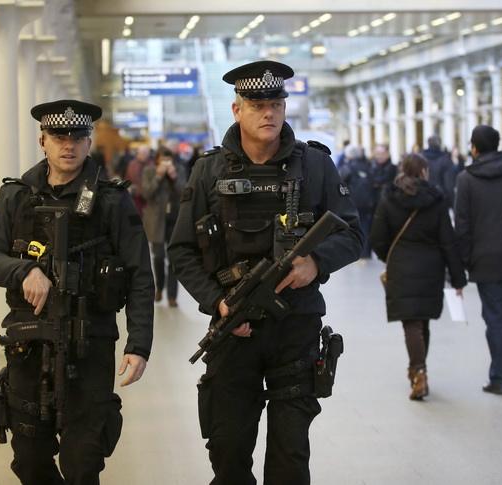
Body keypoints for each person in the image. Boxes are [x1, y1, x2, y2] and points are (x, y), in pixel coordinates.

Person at [168, 60, 363, 485]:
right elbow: (181, 250)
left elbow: (353, 235)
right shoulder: (208, 170)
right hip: (234, 331)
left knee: (290, 456)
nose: (268, 113)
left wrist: (316, 262)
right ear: (236, 109)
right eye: (257, 105)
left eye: (276, 104)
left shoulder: (315, 166)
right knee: (228, 451)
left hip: (295, 326)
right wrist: (216, 302)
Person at [0, 100, 154, 484]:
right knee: (30, 461)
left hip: (90, 344)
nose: (68, 145)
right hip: (28, 346)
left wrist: (139, 344)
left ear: (90, 142)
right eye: (58, 137)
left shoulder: (112, 200)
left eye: (77, 137)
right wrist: (24, 270)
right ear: (43, 140)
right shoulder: (16, 196)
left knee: (83, 462)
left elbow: (140, 274)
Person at [370, 154, 466, 400]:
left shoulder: (389, 197)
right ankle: (419, 370)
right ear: (423, 171)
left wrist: (390, 257)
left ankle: (418, 372)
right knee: (422, 322)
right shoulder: (436, 199)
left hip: (401, 266)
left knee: (411, 323)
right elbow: (448, 241)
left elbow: (377, 237)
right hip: (431, 267)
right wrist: (457, 278)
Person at [455, 125, 502, 395]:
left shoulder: (466, 179)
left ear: (474, 148)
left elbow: (462, 225)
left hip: (485, 259)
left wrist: (463, 261)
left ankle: (499, 377)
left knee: (495, 316)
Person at [142, 147, 186, 306]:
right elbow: (146, 193)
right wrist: (158, 176)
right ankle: (159, 287)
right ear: (157, 160)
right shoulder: (149, 171)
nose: (166, 163)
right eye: (163, 159)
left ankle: (172, 296)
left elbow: (185, 192)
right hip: (156, 220)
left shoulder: (179, 169)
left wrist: (174, 177)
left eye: (169, 159)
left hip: (174, 219)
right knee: (159, 257)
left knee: (174, 258)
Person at [339, 144, 375, 258]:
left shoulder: (347, 167)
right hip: (367, 202)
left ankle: (353, 251)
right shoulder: (367, 166)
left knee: (351, 227)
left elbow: (339, 183)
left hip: (352, 202)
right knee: (365, 226)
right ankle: (365, 252)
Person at [421, 135, 455, 207]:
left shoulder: (421, 158)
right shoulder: (446, 160)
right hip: (440, 199)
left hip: (424, 199)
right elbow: (449, 184)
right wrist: (452, 203)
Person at [370, 143, 397, 209]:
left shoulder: (393, 168)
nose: (380, 156)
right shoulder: (370, 166)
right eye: (377, 154)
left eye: (382, 153)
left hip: (388, 203)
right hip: (373, 203)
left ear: (387, 154)